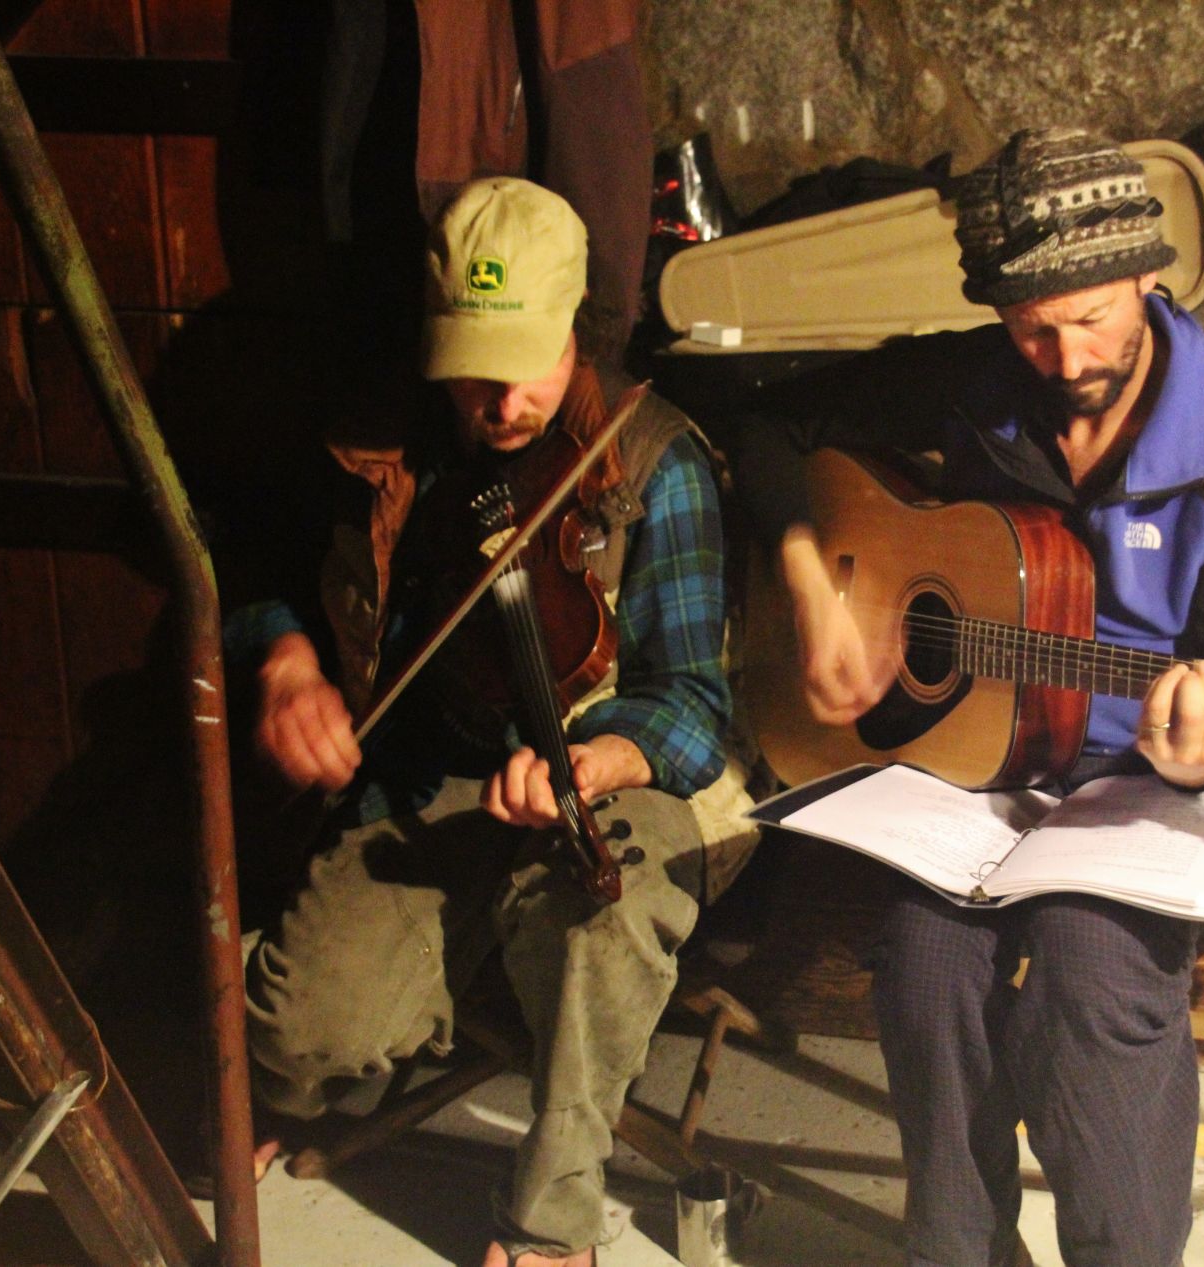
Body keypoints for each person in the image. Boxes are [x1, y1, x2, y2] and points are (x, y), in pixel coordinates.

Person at [730, 127, 1204, 1267]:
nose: (1061, 357)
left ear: (1149, 277)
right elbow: (765, 419)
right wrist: (810, 580)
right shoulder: (979, 383)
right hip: (992, 758)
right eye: (1029, 326)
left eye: (1092, 317)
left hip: (1158, 782)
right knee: (921, 957)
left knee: (1088, 974)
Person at [233, 176, 755, 1267]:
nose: (500, 402)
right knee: (298, 1035)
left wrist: (606, 753)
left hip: (616, 778)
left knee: (603, 924)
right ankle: (336, 1060)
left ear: (574, 324)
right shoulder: (393, 442)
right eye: (471, 369)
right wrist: (283, 656)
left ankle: (552, 1222)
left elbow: (698, 708)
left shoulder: (654, 461)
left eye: (523, 360)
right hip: (433, 777)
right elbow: (252, 565)